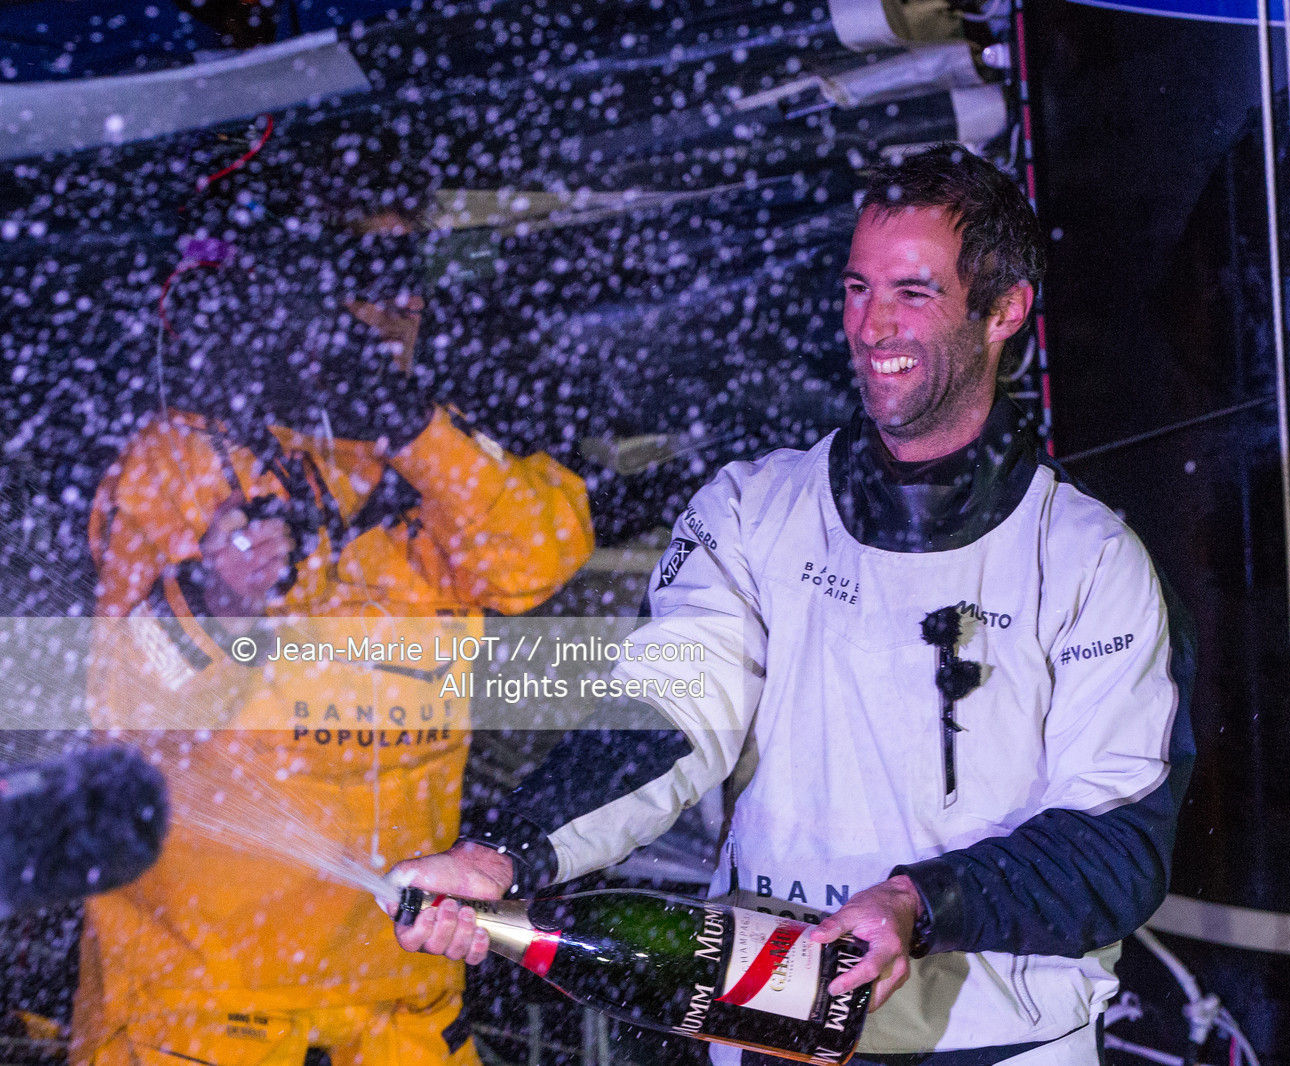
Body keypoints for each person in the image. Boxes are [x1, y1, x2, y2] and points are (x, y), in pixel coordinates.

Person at [390, 146, 1194, 1065]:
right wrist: (508, 853)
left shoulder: (1091, 561)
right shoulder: (750, 511)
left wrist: (918, 906)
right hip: (771, 1029)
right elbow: (671, 716)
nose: (872, 325)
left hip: (1006, 1046)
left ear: (1004, 310)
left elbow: (1118, 842)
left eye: (914, 293)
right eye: (858, 288)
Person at [74, 229, 595, 1066]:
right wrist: (222, 599)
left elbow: (539, 556)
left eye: (409, 279)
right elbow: (126, 710)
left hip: (401, 1007)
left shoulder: (433, 463)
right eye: (369, 281)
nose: (403, 307)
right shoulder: (185, 464)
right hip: (202, 1012)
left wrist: (410, 427)